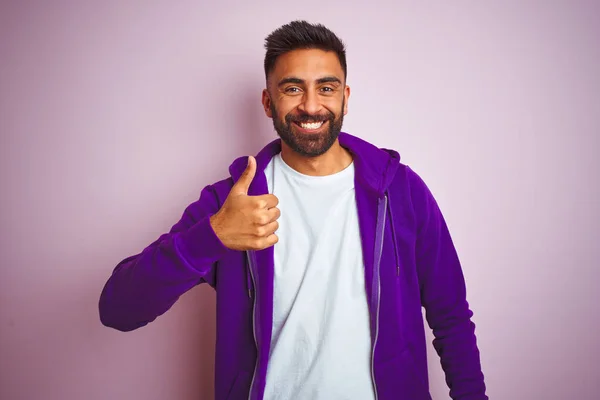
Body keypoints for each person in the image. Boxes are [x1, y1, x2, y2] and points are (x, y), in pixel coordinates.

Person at [99, 20, 488, 400]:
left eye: (326, 87)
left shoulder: (401, 191)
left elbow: (450, 316)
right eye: (292, 88)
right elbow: (118, 309)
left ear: (345, 98)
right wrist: (212, 235)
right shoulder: (230, 203)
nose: (311, 105)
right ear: (268, 102)